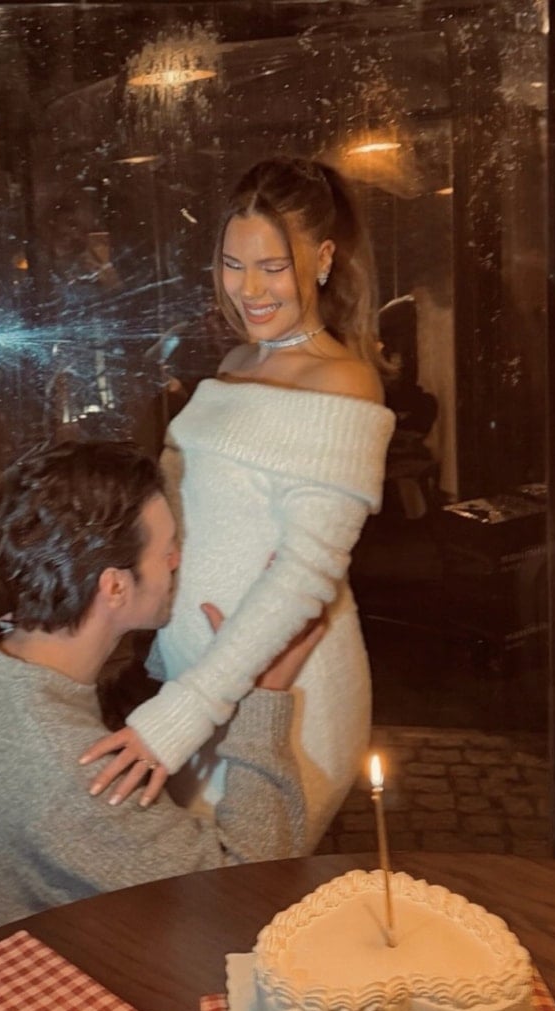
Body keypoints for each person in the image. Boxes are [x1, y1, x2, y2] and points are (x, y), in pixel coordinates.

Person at [0, 440, 315, 969]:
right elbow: (250, 888)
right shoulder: (70, 770)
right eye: (167, 550)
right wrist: (265, 695)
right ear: (114, 587)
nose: (178, 561)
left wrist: (204, 682)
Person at [81, 156, 396, 849]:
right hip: (201, 674)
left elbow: (304, 576)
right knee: (205, 894)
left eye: (273, 267)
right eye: (233, 264)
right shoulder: (235, 365)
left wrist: (186, 711)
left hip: (284, 686)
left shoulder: (343, 382)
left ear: (323, 259)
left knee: (246, 881)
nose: (249, 289)